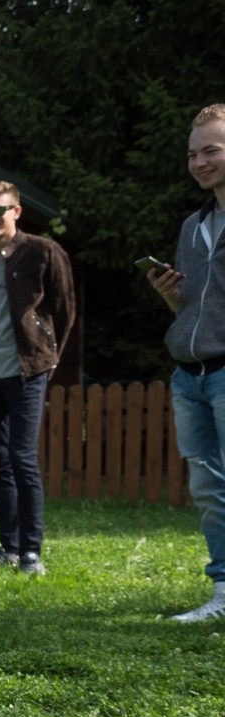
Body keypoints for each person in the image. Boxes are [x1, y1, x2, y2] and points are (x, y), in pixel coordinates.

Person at [0, 180, 76, 576]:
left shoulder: (44, 252)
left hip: (27, 372)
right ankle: (8, 547)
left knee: (22, 458)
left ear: (16, 211)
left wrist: (49, 358)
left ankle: (31, 551)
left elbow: (65, 311)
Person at [147, 103, 225, 623]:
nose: (199, 163)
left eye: (211, 151)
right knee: (208, 488)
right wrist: (171, 296)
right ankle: (223, 591)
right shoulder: (193, 226)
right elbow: (194, 308)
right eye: (193, 154)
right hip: (189, 376)